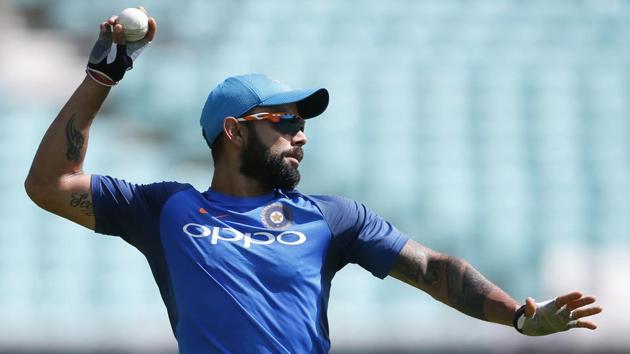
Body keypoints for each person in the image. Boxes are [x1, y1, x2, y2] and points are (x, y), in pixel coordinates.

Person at [25, 9, 602, 354]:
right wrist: (104, 75)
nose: (300, 134)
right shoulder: (166, 209)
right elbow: (50, 184)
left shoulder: (332, 218)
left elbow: (431, 269)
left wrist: (518, 316)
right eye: (285, 121)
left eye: (302, 123)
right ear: (233, 130)